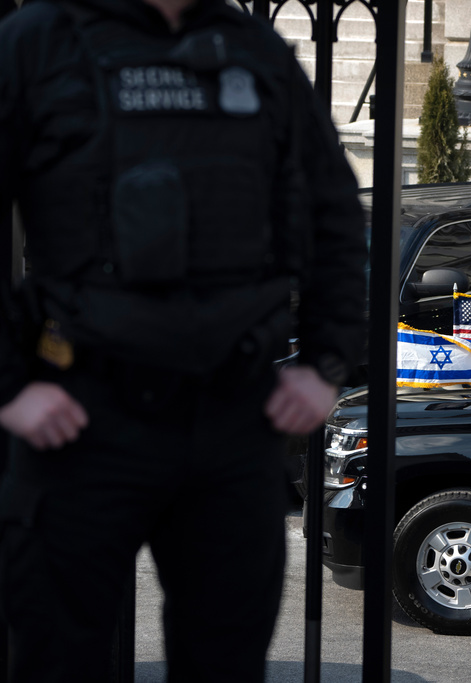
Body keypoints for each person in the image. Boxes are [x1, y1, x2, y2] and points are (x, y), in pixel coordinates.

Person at [0, 0, 367, 679]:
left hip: (232, 418)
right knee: (55, 659)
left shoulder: (255, 51)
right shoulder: (35, 44)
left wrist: (324, 362)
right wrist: (10, 387)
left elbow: (334, 211)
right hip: (81, 421)